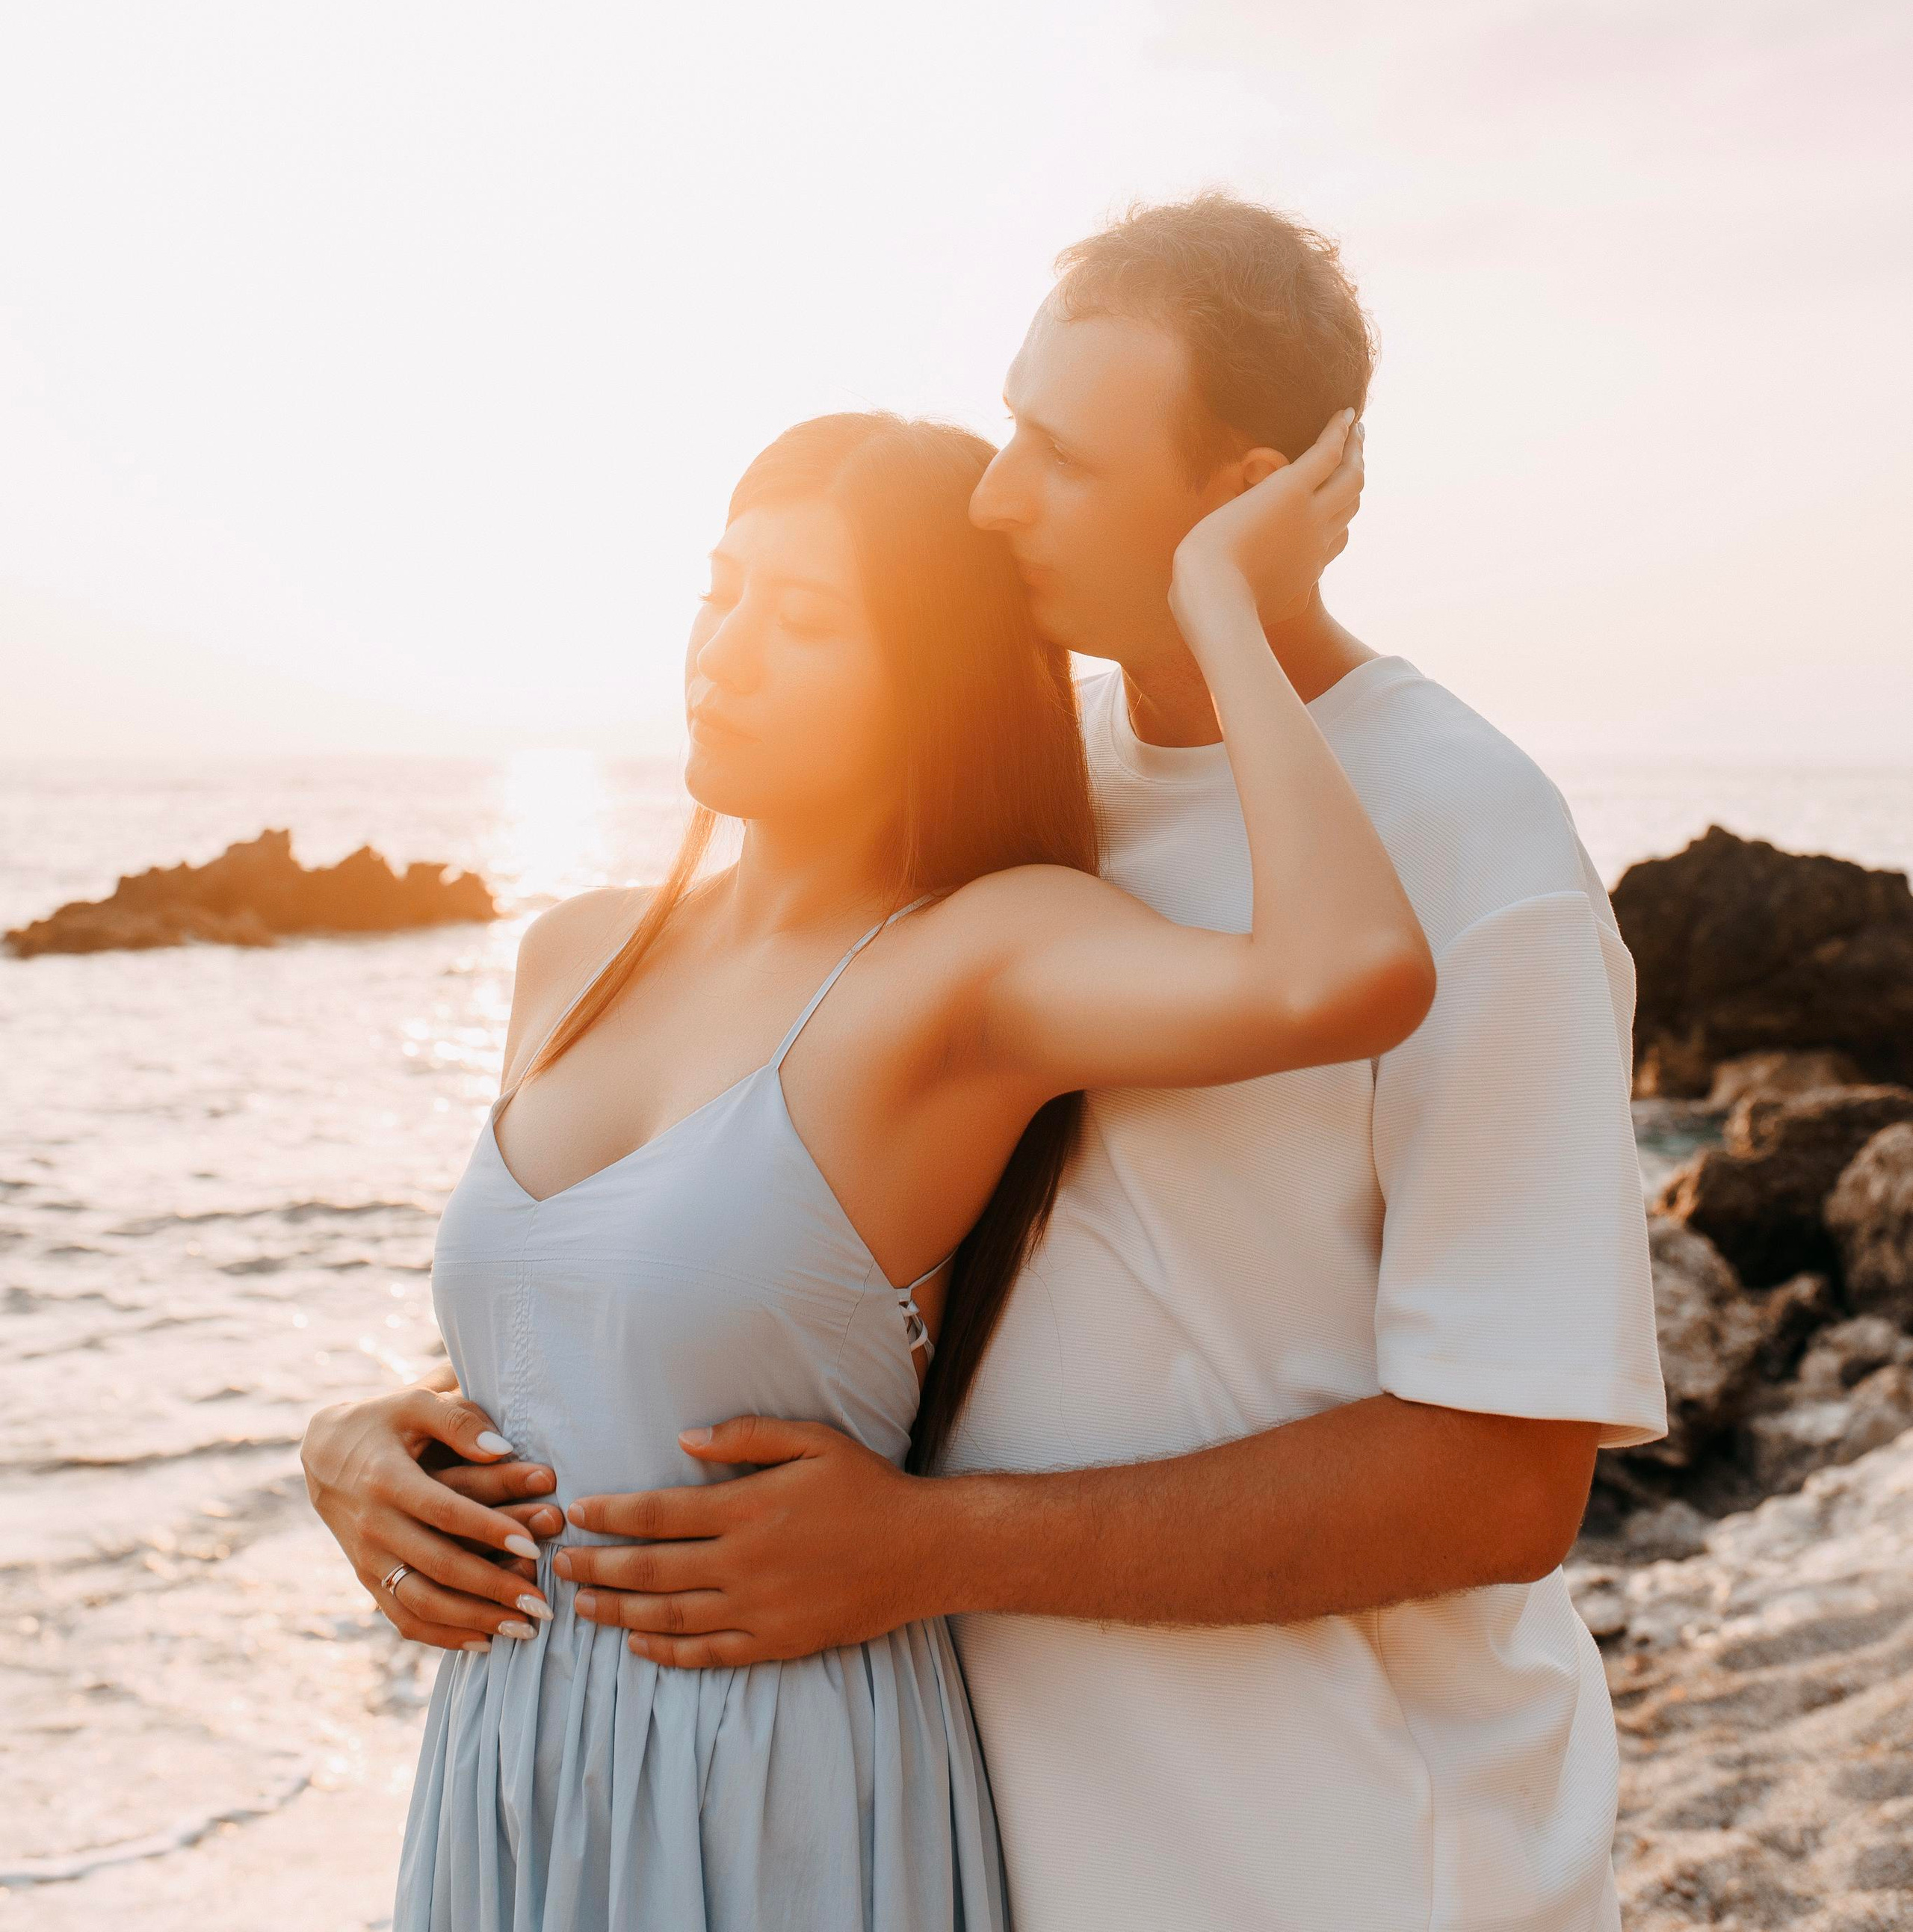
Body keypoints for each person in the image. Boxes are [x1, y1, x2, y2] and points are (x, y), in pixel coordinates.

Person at [306, 194, 1666, 1932]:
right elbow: (701, 1261)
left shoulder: (1464, 844)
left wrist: (933, 1547)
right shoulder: (1013, 810)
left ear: (1241, 495)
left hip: (1331, 1851)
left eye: (1062, 456)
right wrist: (369, 1439)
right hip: (964, 1817)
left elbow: (1500, 1483)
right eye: (1008, 423)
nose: (995, 493)